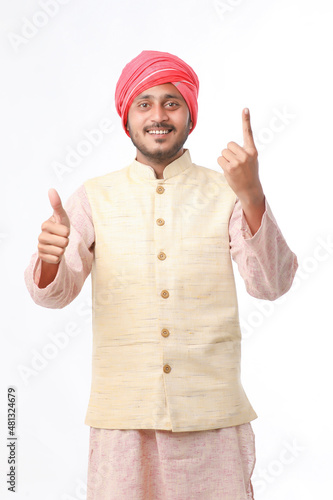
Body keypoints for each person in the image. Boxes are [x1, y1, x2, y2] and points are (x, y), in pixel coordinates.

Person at [24, 50, 298, 500]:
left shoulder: (226, 193)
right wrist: (51, 259)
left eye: (172, 102)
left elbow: (271, 284)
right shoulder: (94, 198)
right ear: (126, 116)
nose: (158, 115)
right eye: (144, 103)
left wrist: (252, 195)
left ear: (190, 114)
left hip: (212, 419)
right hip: (122, 423)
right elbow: (53, 295)